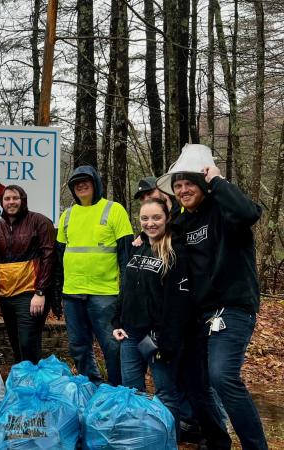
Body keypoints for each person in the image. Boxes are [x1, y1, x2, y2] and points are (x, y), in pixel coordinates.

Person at [157, 144, 268, 449]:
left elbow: (248, 213)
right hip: (199, 315)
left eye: (189, 183)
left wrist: (218, 180)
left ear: (203, 183)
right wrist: (143, 238)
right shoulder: (182, 223)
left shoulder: (224, 211)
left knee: (222, 376)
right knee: (193, 380)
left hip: (231, 308)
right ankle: (218, 441)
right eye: (178, 185)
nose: (182, 190)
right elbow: (164, 246)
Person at [112, 198, 191, 438]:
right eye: (145, 218)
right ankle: (140, 438)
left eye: (156, 217)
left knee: (165, 393)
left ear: (167, 218)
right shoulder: (137, 246)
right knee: (132, 390)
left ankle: (169, 440)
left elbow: (178, 302)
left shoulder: (176, 251)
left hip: (158, 336)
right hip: (130, 333)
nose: (150, 223)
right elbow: (126, 288)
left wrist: (168, 339)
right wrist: (117, 321)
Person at [56, 166, 133, 386]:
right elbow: (59, 257)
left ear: (96, 183)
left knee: (112, 346)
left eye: (85, 181)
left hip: (105, 294)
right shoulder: (67, 215)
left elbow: (126, 256)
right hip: (72, 293)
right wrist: (56, 292)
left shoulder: (114, 210)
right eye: (76, 183)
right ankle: (92, 388)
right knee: (79, 347)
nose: (81, 185)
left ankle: (117, 391)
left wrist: (126, 294)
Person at [0, 185, 56, 364]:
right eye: (7, 199)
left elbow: (49, 257)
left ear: (23, 200)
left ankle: (33, 378)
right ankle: (22, 378)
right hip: (6, 295)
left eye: (15, 198)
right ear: (2, 202)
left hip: (30, 294)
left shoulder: (39, 221)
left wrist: (41, 291)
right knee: (16, 344)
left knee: (28, 343)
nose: (11, 202)